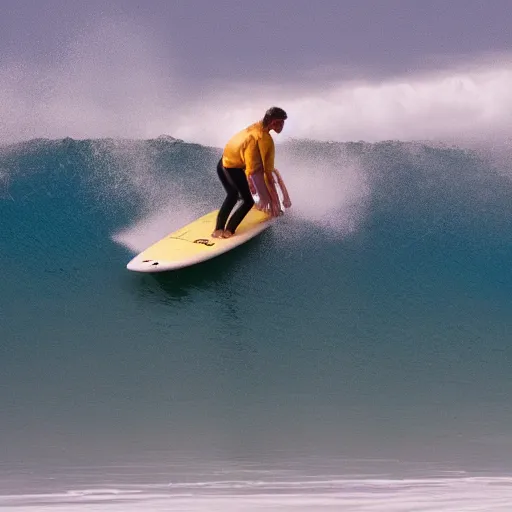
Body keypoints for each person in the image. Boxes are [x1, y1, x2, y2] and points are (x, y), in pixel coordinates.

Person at [211, 107, 291, 239]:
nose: (283, 126)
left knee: (232, 195)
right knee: (248, 201)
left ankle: (218, 229)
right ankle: (228, 231)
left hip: (222, 164)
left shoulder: (256, 127)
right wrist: (274, 202)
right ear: (274, 122)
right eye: (281, 122)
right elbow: (261, 172)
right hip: (232, 168)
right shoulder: (263, 138)